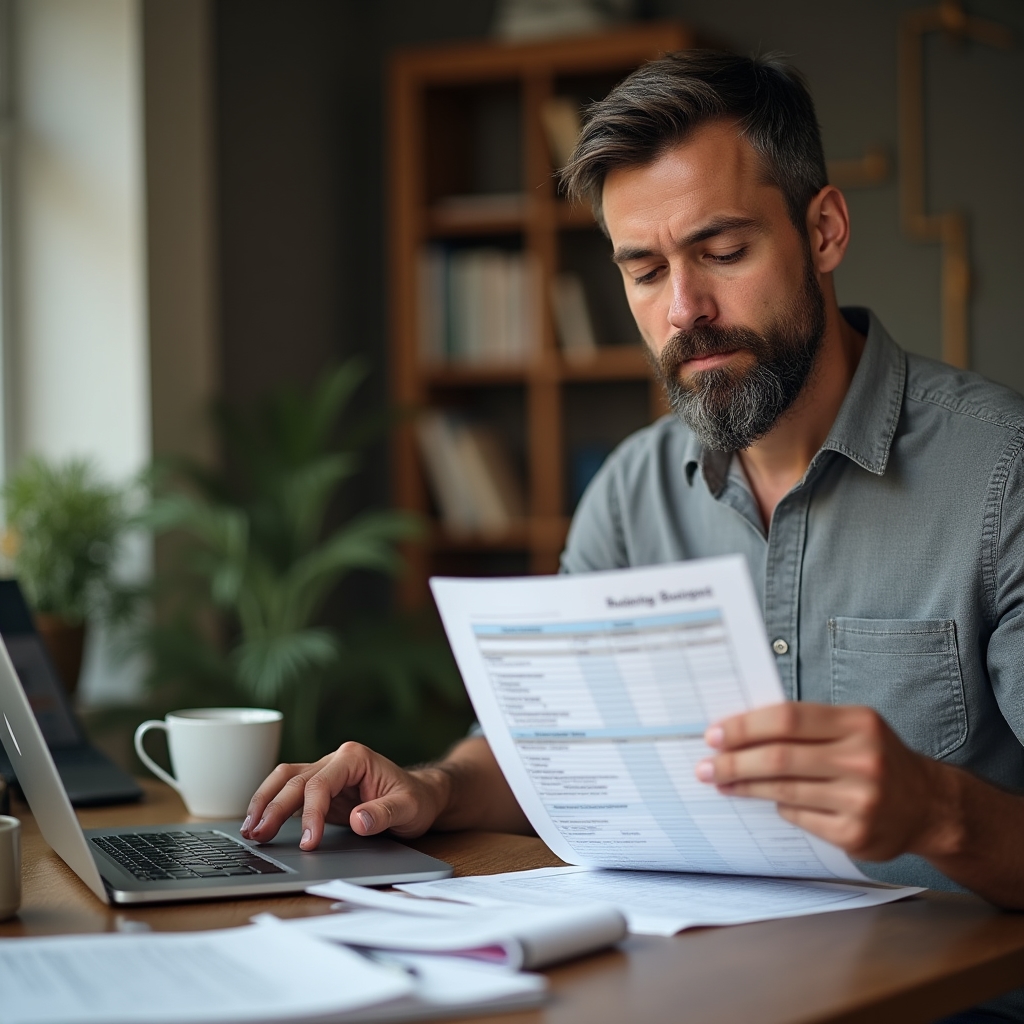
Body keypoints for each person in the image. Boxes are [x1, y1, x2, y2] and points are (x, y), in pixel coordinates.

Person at [243, 51, 1024, 1019]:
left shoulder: (1002, 476)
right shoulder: (628, 492)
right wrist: (436, 787)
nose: (683, 312)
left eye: (723, 251)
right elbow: (557, 751)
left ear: (822, 230)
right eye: (645, 270)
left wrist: (936, 810)